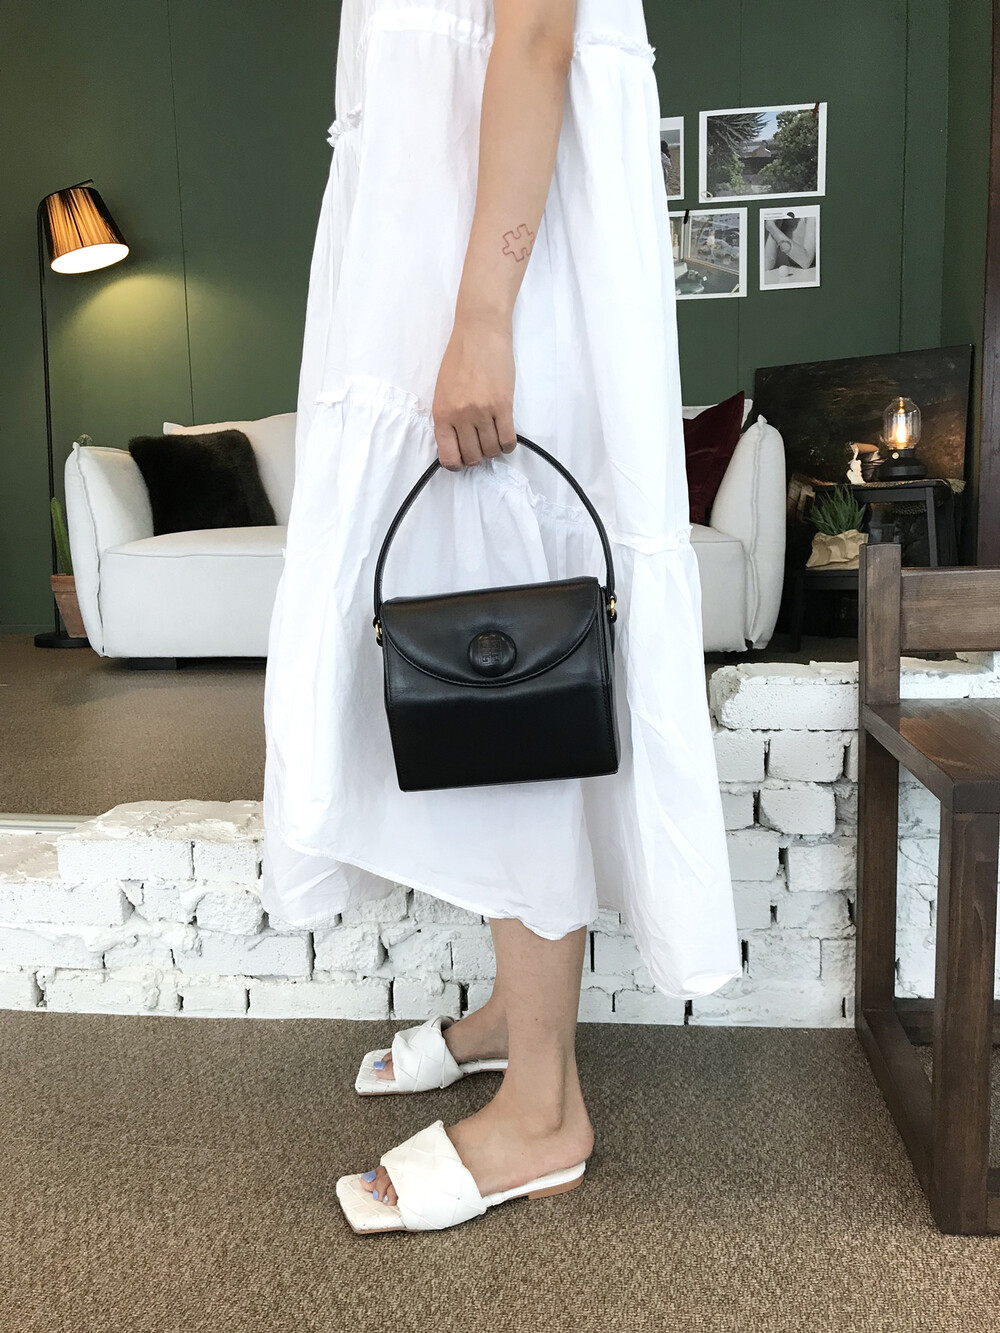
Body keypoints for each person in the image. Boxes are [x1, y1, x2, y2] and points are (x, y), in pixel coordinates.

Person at [260, 0, 741, 1235]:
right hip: (435, 257)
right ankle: (514, 1020)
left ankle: (541, 1108)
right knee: (480, 625)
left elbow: (534, 36)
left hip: (494, 278)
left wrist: (482, 316)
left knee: (508, 647)